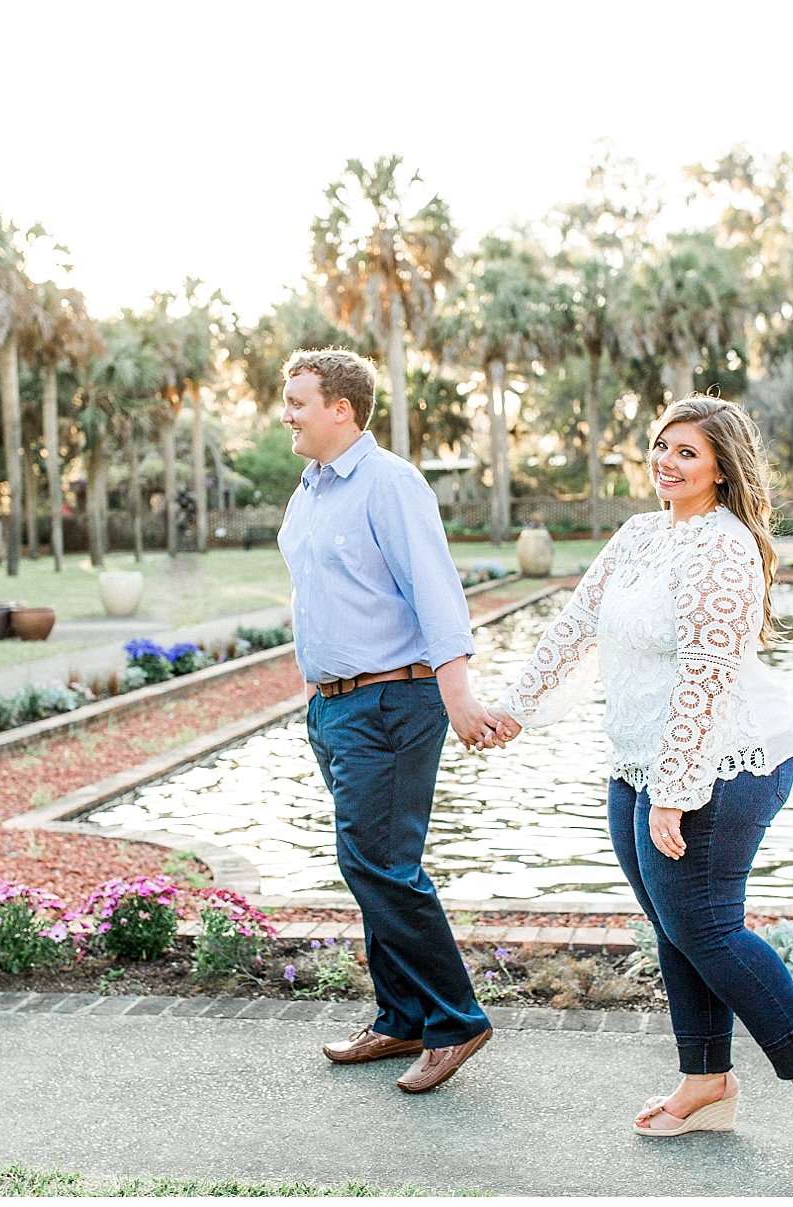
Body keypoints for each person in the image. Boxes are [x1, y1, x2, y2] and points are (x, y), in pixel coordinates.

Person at [488, 396, 793, 1160]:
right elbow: (574, 625)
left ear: (721, 468)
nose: (666, 461)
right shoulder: (640, 533)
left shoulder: (725, 547)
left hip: (728, 760)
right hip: (640, 758)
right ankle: (705, 1082)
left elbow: (706, 675)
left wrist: (674, 792)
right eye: (661, 445)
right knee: (676, 925)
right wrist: (515, 710)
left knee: (707, 927)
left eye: (687, 452)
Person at [277, 347, 503, 1094]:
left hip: (391, 703)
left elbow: (436, 592)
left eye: (298, 402)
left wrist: (458, 695)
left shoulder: (391, 483)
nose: (287, 415)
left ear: (341, 408)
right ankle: (402, 1015)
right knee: (367, 861)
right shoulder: (310, 490)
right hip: (333, 706)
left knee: (380, 863)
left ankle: (456, 1019)